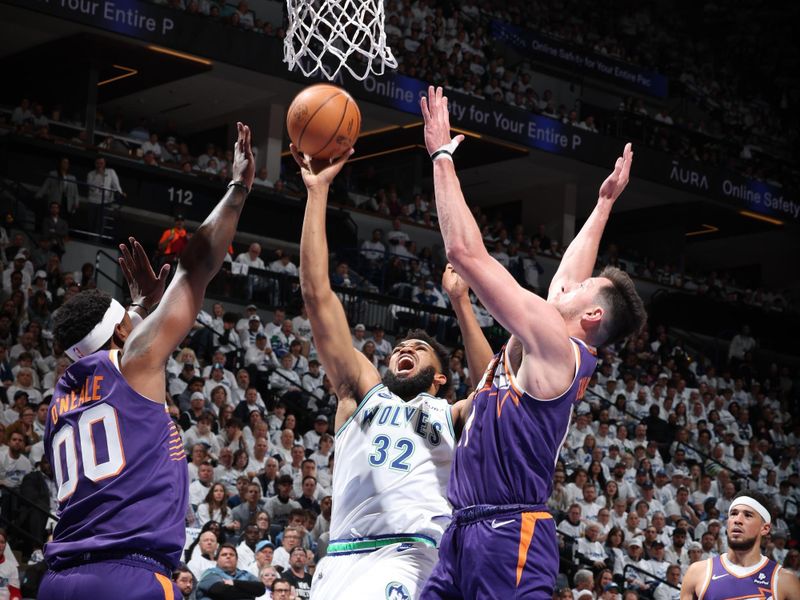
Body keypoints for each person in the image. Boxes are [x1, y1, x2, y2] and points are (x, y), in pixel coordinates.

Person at [418, 86, 646, 599]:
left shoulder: (554, 346)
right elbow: (570, 273)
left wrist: (440, 156)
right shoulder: (551, 340)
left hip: (509, 534)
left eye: (581, 289)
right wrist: (604, 203)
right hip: (466, 529)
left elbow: (465, 252)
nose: (567, 283)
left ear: (589, 315)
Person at [38, 123, 255, 600]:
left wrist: (139, 309)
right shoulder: (133, 362)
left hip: (59, 580)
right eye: (128, 320)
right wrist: (237, 189)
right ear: (121, 332)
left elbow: (101, 346)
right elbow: (196, 264)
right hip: (128, 575)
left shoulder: (60, 398)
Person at [290, 143, 490, 599]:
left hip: (410, 554)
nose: (404, 349)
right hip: (339, 557)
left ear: (440, 377)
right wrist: (317, 192)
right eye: (399, 346)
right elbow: (316, 294)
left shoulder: (452, 414)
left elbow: (493, 387)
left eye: (419, 349)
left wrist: (461, 302)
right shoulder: (361, 394)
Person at [680, 491, 800, 599]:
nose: (737, 520)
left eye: (748, 515)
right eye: (733, 513)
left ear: (765, 528)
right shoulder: (697, 572)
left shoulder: (785, 581)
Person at [196, 544, 265, 600]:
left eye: (232, 555)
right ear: (217, 559)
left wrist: (234, 583)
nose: (228, 556)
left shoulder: (245, 574)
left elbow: (261, 588)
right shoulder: (210, 574)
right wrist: (250, 592)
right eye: (224, 554)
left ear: (237, 559)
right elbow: (223, 591)